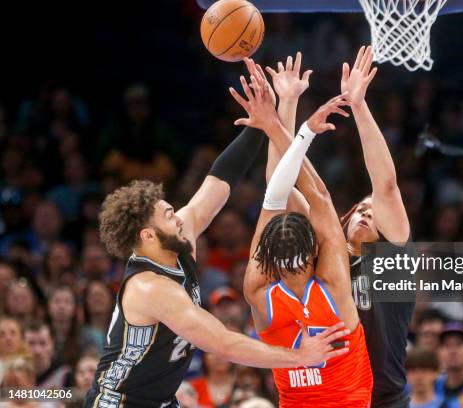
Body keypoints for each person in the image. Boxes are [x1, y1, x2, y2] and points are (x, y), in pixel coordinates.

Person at [86, 106, 350, 406]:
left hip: (158, 400)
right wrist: (301, 357)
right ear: (148, 235)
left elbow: (219, 182)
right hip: (119, 401)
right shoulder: (151, 288)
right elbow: (223, 344)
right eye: (169, 215)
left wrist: (259, 124)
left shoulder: (177, 239)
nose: (180, 217)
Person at [235, 59, 372, 406]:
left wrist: (285, 110)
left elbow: (274, 192)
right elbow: (314, 196)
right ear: (314, 251)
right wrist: (286, 125)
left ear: (268, 258)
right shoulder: (332, 284)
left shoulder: (257, 289)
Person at [335, 46, 413, 408]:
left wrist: (359, 106)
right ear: (345, 219)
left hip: (385, 399)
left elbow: (385, 186)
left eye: (375, 212)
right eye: (361, 209)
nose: (368, 212)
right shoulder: (326, 261)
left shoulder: (393, 262)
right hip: (336, 395)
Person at [24, 321, 71, 389]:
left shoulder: (64, 375)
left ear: (52, 344)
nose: (37, 351)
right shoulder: (13, 376)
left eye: (43, 343)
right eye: (31, 343)